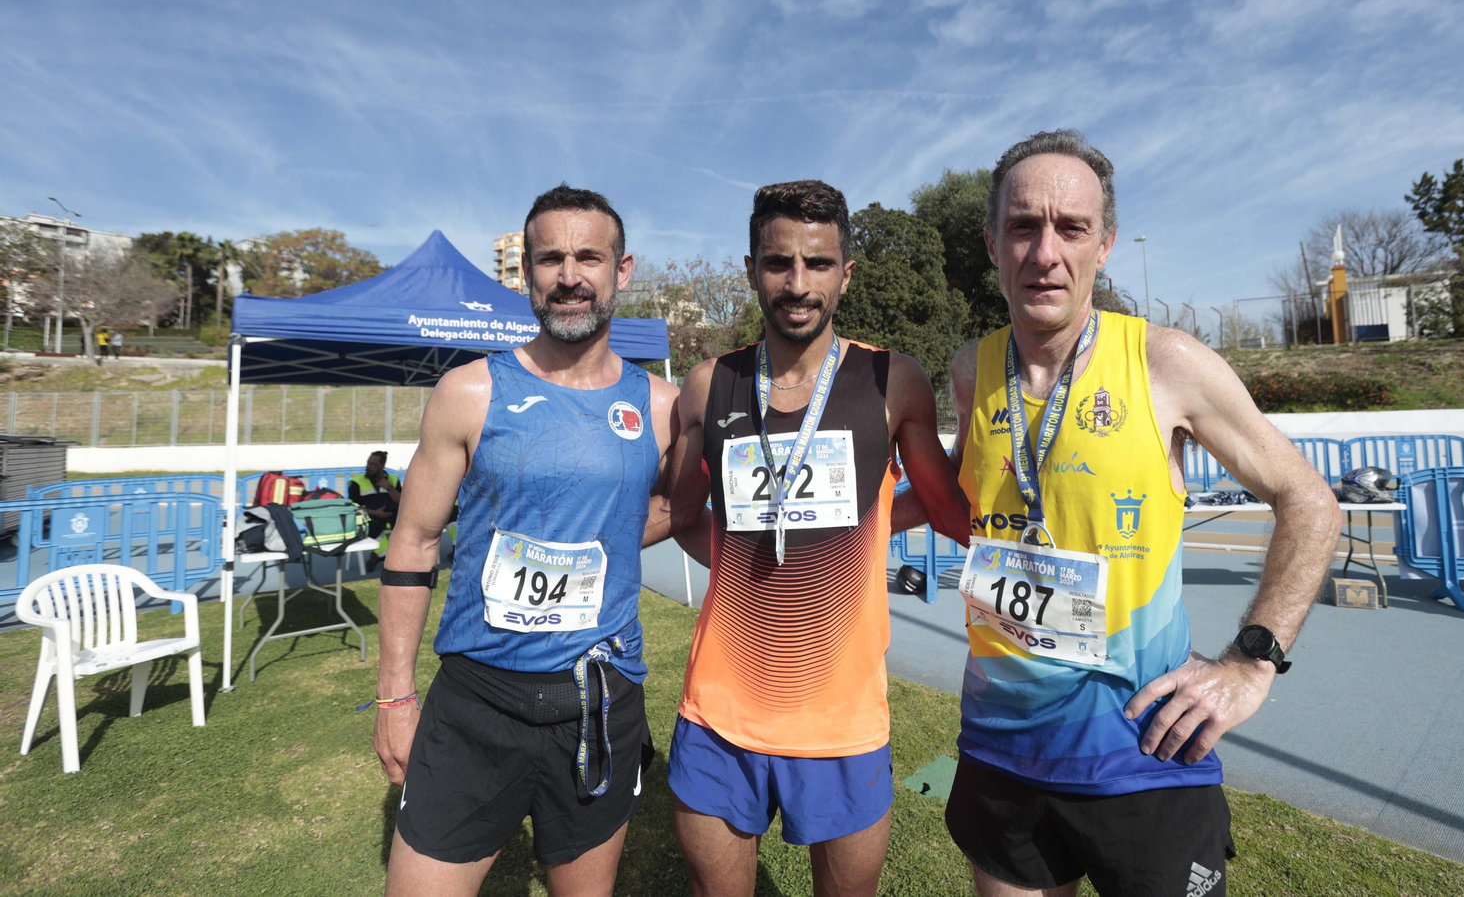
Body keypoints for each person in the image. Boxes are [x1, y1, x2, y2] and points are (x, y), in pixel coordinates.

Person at [904, 130, 1342, 897]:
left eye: (1071, 228)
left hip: (1142, 750)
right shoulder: (972, 367)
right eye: (1023, 226)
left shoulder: (1163, 361)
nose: (1046, 252)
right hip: (1001, 746)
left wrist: (1251, 659)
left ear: (1104, 244)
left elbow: (1308, 499)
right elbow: (980, 509)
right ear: (991, 242)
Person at [664, 180, 970, 897]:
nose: (797, 284)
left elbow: (948, 512)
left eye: (818, 263)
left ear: (846, 273)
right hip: (719, 718)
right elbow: (681, 516)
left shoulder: (894, 381)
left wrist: (862, 531)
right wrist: (749, 557)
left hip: (845, 724)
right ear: (750, 269)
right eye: (778, 263)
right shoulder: (709, 385)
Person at [371, 184, 680, 897]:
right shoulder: (469, 392)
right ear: (526, 273)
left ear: (621, 269)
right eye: (550, 258)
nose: (569, 275)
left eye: (588, 256)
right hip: (476, 704)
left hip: (599, 707)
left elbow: (674, 510)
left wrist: (609, 545)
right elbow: (414, 542)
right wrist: (394, 697)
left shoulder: (663, 407)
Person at [349, 450, 402, 539]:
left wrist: (389, 488)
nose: (368, 467)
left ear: (382, 465)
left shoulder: (393, 479)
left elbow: (402, 502)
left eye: (373, 464)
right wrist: (375, 513)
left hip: (393, 521)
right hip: (369, 521)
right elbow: (353, 508)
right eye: (368, 463)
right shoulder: (356, 483)